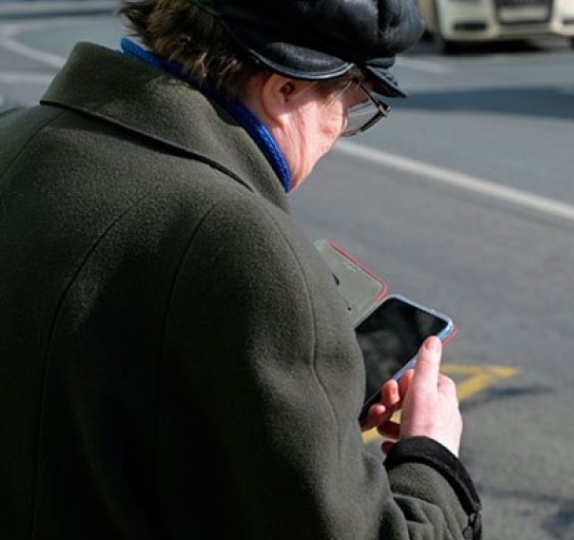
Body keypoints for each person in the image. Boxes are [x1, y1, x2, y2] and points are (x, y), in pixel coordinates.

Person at [0, 0, 482, 538]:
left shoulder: (15, 135)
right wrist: (432, 460)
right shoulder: (247, 248)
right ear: (286, 89)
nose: (340, 128)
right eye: (351, 103)